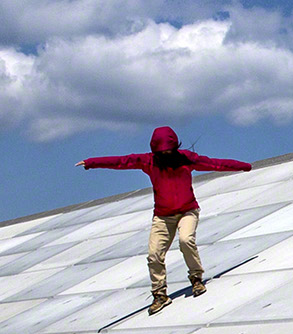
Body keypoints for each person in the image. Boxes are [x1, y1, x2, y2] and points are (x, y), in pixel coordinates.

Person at [78, 127, 253, 313]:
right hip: (162, 216)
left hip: (188, 211)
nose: (165, 154)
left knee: (186, 240)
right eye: (161, 152)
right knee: (154, 254)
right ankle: (159, 294)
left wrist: (244, 166)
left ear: (174, 147)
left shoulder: (186, 158)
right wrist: (91, 162)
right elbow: (121, 161)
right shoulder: (149, 161)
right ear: (155, 150)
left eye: (168, 150)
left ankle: (196, 279)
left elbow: (215, 164)